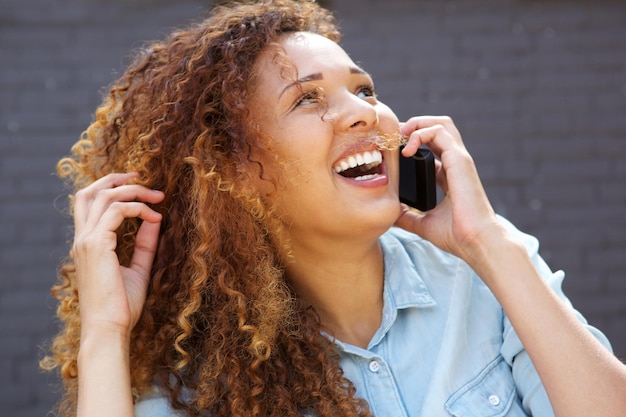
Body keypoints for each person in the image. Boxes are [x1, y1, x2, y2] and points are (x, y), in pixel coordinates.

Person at [41, 1, 626, 416]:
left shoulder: (491, 271)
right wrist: (103, 334)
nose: (365, 112)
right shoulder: (198, 385)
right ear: (235, 174)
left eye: (365, 90)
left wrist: (490, 245)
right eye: (307, 99)